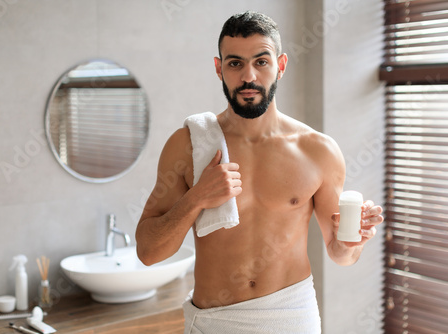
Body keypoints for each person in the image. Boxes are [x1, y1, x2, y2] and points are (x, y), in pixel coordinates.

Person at [136, 10, 383, 333]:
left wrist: (353, 242)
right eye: (235, 63)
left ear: (280, 66)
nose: (248, 76)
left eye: (261, 62)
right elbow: (148, 252)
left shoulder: (318, 151)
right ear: (218, 68)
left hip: (291, 317)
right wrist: (197, 198)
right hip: (215, 322)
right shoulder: (188, 146)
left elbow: (340, 255)